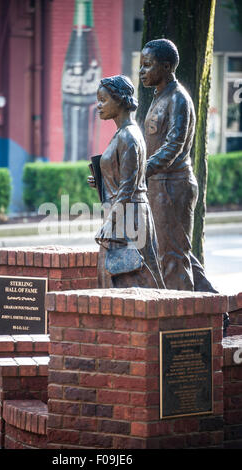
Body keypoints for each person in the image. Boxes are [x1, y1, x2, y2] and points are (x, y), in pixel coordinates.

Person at [140, 39, 229, 333]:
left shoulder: (178, 98)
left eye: (148, 64)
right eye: (142, 64)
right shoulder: (159, 96)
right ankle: (217, 310)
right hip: (159, 184)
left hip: (172, 185)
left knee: (172, 258)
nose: (142, 70)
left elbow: (174, 146)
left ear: (166, 67)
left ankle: (184, 330)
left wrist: (142, 170)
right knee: (179, 253)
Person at [87, 74, 165, 290]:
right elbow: (125, 178)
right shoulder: (123, 133)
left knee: (133, 280)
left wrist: (110, 223)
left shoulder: (128, 136)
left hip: (128, 218)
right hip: (124, 214)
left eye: (103, 100)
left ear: (120, 100)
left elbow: (129, 187)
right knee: (116, 279)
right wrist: (103, 181)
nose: (99, 105)